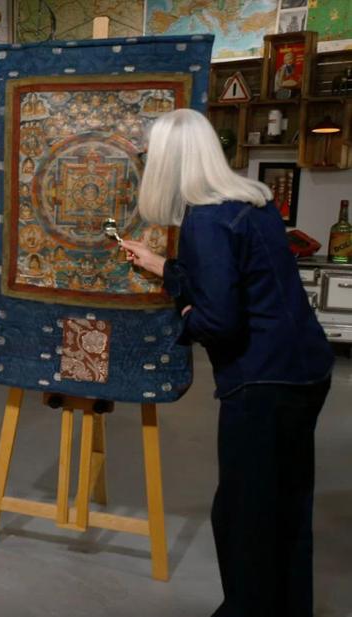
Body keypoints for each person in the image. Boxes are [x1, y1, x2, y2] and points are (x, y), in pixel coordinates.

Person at [120, 109, 332, 617]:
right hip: (304, 369)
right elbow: (234, 279)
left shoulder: (206, 219)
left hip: (263, 380)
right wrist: (165, 268)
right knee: (285, 507)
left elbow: (217, 319)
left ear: (168, 162)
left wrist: (187, 316)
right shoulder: (250, 201)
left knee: (243, 515)